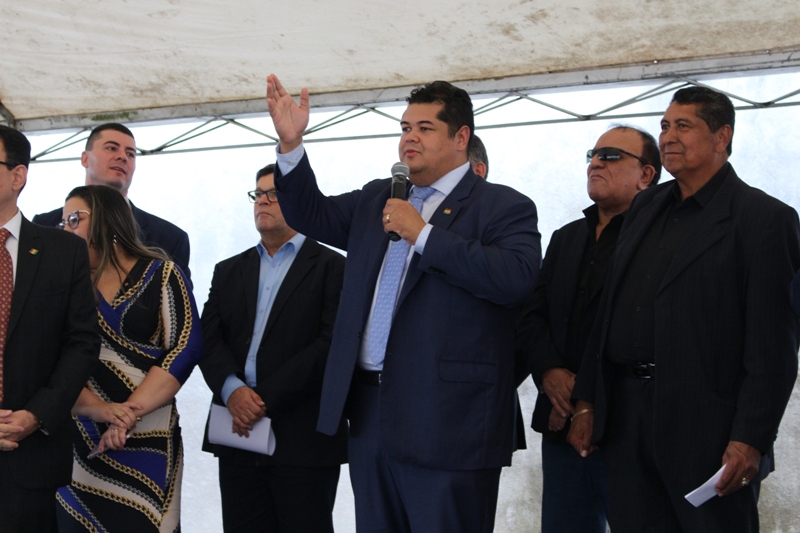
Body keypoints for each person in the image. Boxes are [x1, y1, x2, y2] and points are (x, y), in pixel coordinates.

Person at [266, 74, 541, 533]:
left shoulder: (501, 206)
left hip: (450, 420)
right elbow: (310, 213)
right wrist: (291, 144)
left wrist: (424, 234)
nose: (409, 137)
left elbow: (515, 278)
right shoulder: (379, 197)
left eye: (425, 128)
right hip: (370, 410)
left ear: (461, 137)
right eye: (405, 128)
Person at [569, 87, 800, 532]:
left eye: (683, 126)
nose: (668, 136)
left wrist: (750, 438)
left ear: (721, 136)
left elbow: (773, 345)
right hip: (626, 417)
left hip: (708, 428)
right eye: (664, 126)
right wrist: (588, 402)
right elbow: (610, 312)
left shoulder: (763, 218)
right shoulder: (644, 206)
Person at [517, 125, 660, 532]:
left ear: (646, 174)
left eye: (611, 155)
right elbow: (532, 314)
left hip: (627, 425)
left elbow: (641, 333)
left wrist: (588, 397)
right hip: (560, 419)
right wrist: (549, 371)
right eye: (592, 155)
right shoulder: (566, 238)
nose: (596, 163)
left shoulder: (659, 241)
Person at [199, 163, 347, 533]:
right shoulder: (228, 270)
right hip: (236, 433)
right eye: (258, 194)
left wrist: (260, 400)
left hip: (303, 439)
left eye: (273, 194)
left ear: (299, 200)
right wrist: (233, 391)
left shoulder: (334, 267)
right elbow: (207, 339)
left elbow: (331, 345)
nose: (262, 201)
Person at [54, 185, 203, 532]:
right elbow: (54, 362)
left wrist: (126, 414)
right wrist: (100, 410)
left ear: (106, 220)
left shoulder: (163, 274)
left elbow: (186, 346)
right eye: (63, 223)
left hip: (149, 435)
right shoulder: (66, 286)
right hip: (81, 438)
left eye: (74, 219)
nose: (66, 230)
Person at [0, 126, 99, 533]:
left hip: (30, 452)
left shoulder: (63, 250)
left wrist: (36, 414)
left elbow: (81, 343)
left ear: (17, 176)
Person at [32, 123, 191, 277]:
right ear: (85, 159)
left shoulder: (170, 238)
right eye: (111, 148)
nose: (123, 157)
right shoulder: (44, 226)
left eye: (130, 154)